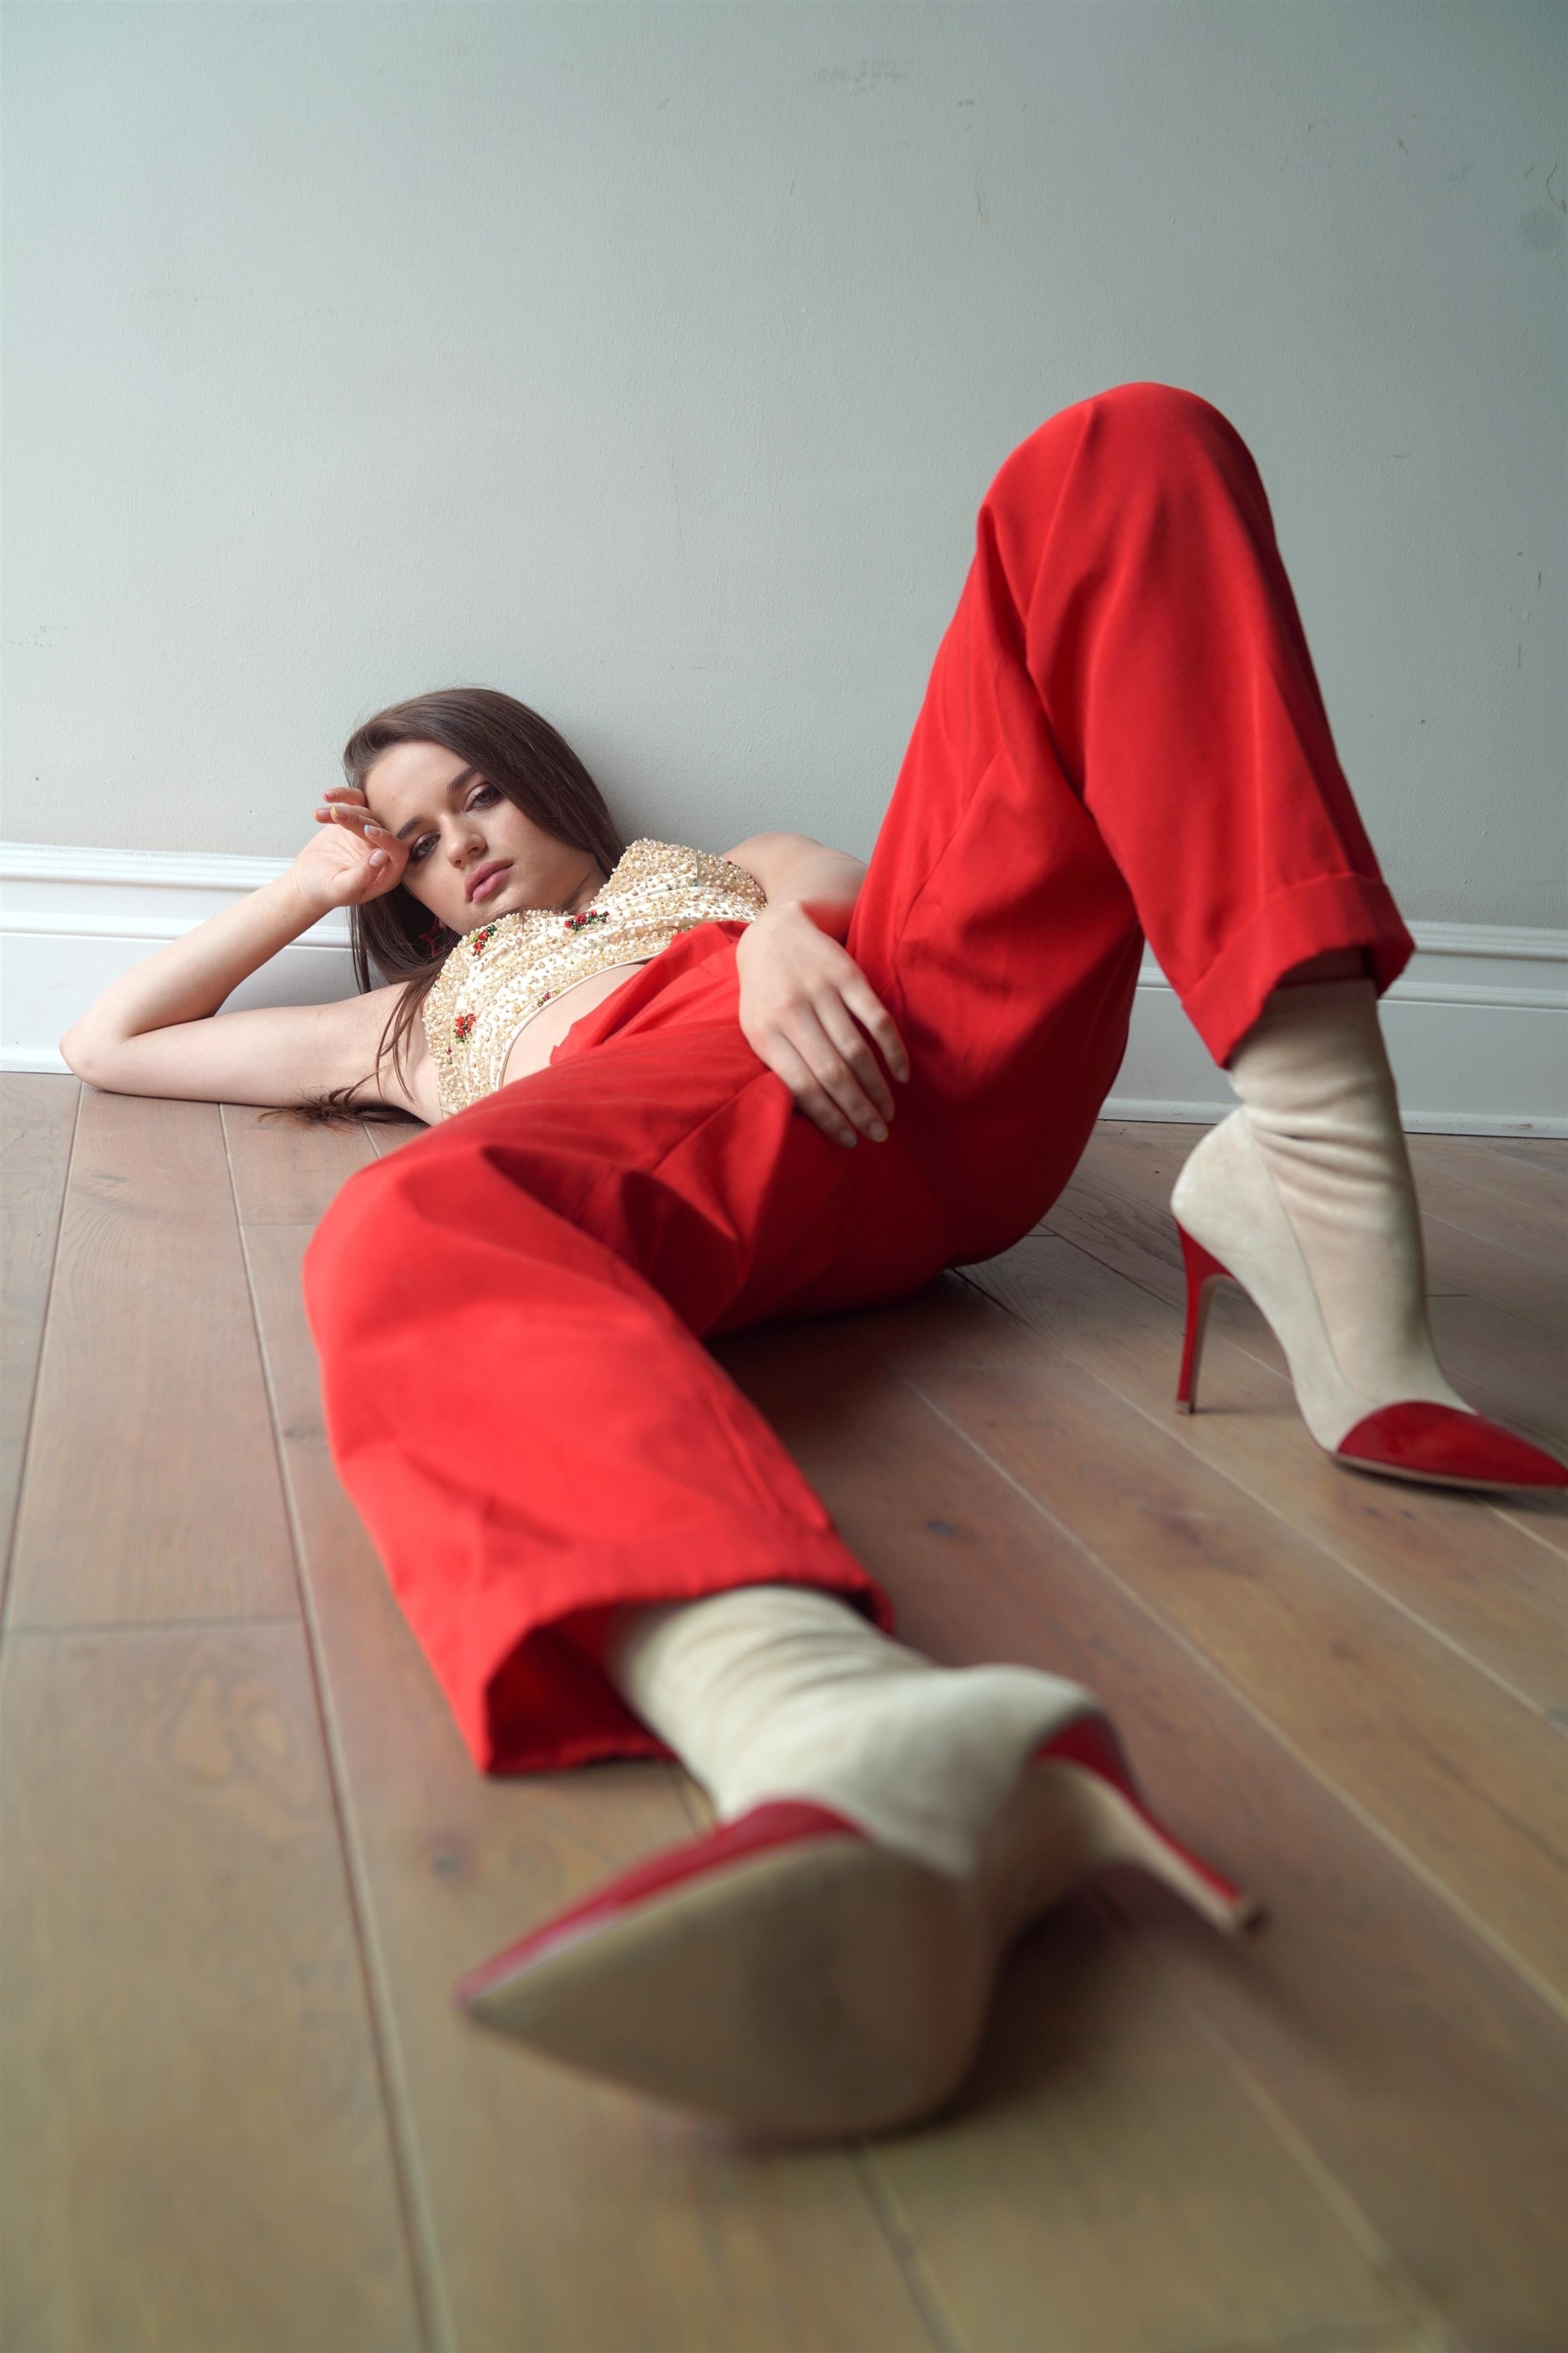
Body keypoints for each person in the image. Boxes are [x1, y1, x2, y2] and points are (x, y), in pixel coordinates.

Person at [59, 381, 1565, 2143]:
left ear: (548, 793)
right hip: (717, 1136)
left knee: (1120, 451)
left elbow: (830, 874)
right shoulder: (402, 1021)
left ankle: (1310, 1154)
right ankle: (834, 1729)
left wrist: (778, 927)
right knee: (405, 1227)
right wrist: (314, 890)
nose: (460, 842)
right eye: (414, 839)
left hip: (925, 1046)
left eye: (481, 795)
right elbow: (108, 1044)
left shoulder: (699, 865)